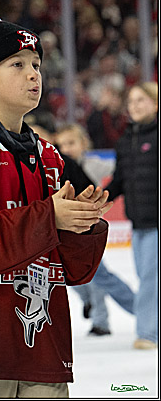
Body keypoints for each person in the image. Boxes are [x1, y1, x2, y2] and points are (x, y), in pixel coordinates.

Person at [0, 9, 111, 398]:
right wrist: (50, 217)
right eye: (17, 64)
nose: (34, 74)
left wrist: (82, 225)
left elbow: (74, 271)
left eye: (36, 65)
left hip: (44, 348)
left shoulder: (49, 156)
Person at [54, 122, 136, 337]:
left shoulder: (94, 164)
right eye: (62, 144)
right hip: (66, 230)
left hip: (88, 231)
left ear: (83, 143)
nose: (66, 149)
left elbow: (119, 173)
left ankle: (134, 312)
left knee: (98, 276)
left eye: (71, 143)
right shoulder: (57, 165)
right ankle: (91, 303)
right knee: (68, 274)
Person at [106, 81, 159, 350]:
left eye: (141, 100)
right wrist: (101, 200)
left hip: (157, 222)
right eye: (131, 102)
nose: (134, 106)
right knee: (146, 276)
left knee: (151, 277)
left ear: (155, 103)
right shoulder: (126, 141)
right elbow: (119, 180)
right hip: (137, 222)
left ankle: (148, 334)